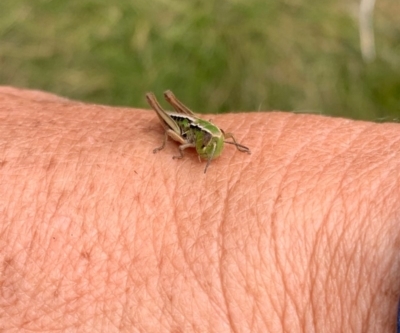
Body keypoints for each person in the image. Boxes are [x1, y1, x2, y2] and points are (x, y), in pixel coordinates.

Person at [1, 86, 398, 332]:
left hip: (199, 123)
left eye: (215, 148)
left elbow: (220, 136)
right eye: (211, 149)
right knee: (166, 129)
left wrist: (231, 145)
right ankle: (158, 102)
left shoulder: (217, 141)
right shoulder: (193, 141)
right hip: (180, 123)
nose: (211, 153)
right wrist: (177, 144)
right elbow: (186, 140)